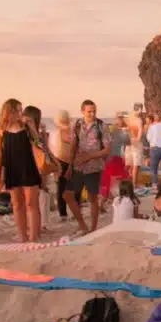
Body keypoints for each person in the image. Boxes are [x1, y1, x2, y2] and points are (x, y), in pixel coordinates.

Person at [0, 99, 42, 243]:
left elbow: (38, 143)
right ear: (9, 112)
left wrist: (32, 127)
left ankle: (33, 237)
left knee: (31, 203)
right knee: (17, 204)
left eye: (21, 110)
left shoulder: (26, 126)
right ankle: (23, 236)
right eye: (18, 111)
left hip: (28, 167)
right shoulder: (1, 129)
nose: (21, 113)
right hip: (11, 169)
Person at [62, 100, 109, 234]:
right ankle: (82, 225)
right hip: (78, 167)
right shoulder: (76, 124)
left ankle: (93, 229)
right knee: (67, 195)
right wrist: (70, 166)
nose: (92, 114)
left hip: (94, 167)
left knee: (92, 198)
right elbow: (73, 146)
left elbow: (107, 149)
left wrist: (90, 156)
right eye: (89, 111)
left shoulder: (101, 126)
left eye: (94, 111)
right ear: (82, 111)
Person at [49, 110, 73, 220]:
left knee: (61, 188)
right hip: (67, 161)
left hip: (61, 161)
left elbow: (51, 150)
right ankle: (70, 212)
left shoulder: (56, 133)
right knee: (70, 188)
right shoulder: (71, 131)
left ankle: (63, 214)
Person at [146, 112, 161, 187]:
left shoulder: (151, 126)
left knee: (153, 168)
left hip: (155, 149)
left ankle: (154, 184)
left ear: (153, 119)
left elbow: (148, 138)